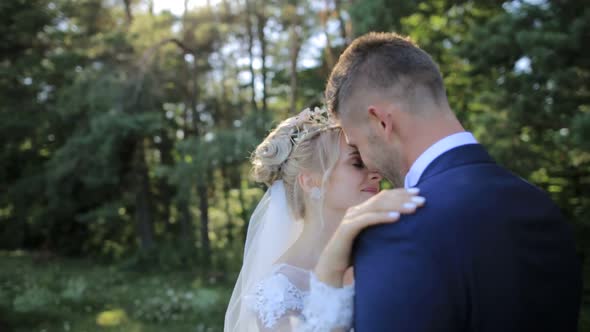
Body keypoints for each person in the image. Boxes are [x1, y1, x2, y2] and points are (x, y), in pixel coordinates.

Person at [324, 31, 582, 332]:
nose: (369, 165)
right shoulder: (540, 205)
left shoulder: (399, 231)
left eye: (358, 146)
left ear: (382, 121)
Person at [224, 107, 425, 331]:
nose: (376, 174)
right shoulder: (278, 290)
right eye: (357, 163)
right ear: (309, 182)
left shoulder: (384, 252)